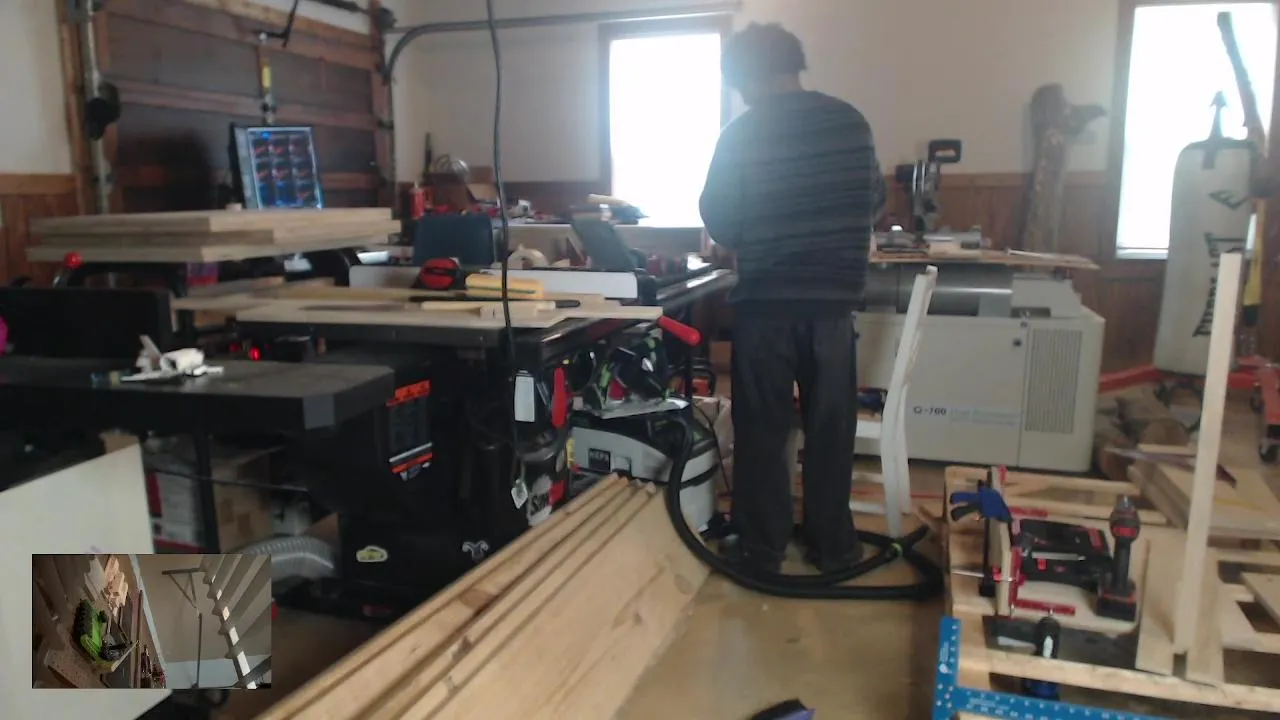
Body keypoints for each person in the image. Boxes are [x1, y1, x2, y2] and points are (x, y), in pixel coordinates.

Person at [700, 22, 886, 575]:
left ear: (743, 79)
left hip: (767, 306)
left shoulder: (742, 134)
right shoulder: (850, 122)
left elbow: (721, 221)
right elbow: (874, 201)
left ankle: (762, 548)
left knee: (763, 429)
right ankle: (834, 546)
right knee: (832, 429)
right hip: (833, 308)